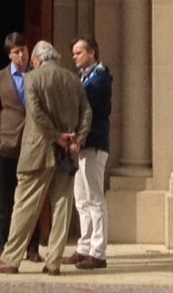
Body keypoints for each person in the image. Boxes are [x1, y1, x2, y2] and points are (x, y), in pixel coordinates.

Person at [0, 39, 90, 275]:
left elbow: (35, 112)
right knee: (62, 207)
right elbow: (87, 111)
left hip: (38, 151)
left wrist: (56, 136)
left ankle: (11, 259)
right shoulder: (73, 79)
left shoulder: (32, 78)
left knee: (25, 205)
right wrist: (77, 139)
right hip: (67, 153)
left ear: (37, 59)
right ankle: (53, 263)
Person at [0, 31, 31, 261]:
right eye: (16, 51)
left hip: (31, 146)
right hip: (7, 146)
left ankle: (32, 247)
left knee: (31, 197)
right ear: (9, 55)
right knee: (5, 199)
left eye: (23, 50)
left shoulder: (36, 75)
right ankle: (1, 245)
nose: (21, 55)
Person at [66, 38, 112, 270]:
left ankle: (98, 251)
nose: (74, 57)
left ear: (92, 53)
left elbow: (86, 103)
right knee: (81, 198)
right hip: (82, 146)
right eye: (73, 53)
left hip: (93, 144)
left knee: (95, 198)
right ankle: (84, 246)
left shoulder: (100, 78)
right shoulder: (84, 77)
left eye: (78, 52)